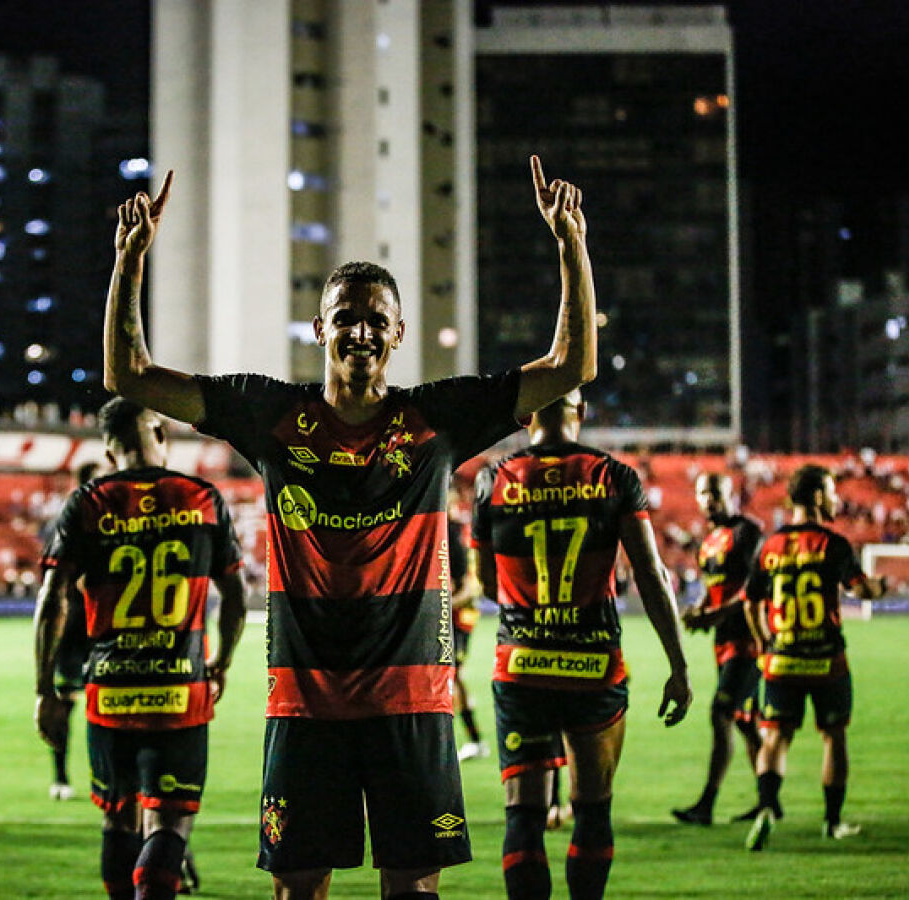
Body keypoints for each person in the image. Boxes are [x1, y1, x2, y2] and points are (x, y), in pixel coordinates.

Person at [103, 155, 597, 900]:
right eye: (346, 317)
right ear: (319, 329)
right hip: (306, 706)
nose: (360, 330)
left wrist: (571, 247)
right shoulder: (268, 413)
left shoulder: (438, 417)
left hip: (413, 704)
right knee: (299, 891)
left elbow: (571, 365)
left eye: (376, 319)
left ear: (398, 333)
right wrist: (130, 264)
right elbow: (129, 375)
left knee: (413, 892)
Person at [472, 390, 691, 900]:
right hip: (593, 667)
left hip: (522, 665)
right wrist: (678, 666)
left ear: (525, 416)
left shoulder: (492, 480)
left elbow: (486, 586)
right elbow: (653, 576)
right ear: (582, 412)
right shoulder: (614, 476)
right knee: (592, 809)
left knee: (524, 815)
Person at [34, 398, 248, 900]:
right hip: (179, 689)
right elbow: (235, 598)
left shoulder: (88, 501)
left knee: (119, 818)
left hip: (109, 692)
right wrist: (223, 662)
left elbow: (52, 598)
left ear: (109, 454)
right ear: (160, 436)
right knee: (170, 823)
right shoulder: (201, 497)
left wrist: (45, 688)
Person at [742, 464, 886, 852]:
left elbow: (752, 604)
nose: (837, 498)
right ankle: (832, 821)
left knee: (773, 738)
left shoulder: (770, 546)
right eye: (832, 491)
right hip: (826, 659)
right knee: (833, 738)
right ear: (819, 496)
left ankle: (768, 808)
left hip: (781, 658)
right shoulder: (833, 545)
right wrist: (881, 586)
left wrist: (764, 642)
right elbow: (862, 591)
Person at [672, 473, 764, 825]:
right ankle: (768, 799)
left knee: (721, 713)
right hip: (724, 643)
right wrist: (700, 612)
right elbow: (718, 590)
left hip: (750, 640)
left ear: (730, 494)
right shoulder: (709, 541)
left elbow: (754, 588)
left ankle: (707, 804)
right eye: (703, 493)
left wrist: (713, 616)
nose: (709, 499)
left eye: (716, 492)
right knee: (743, 722)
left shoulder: (747, 532)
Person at [47, 460, 103, 803]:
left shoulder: (116, 522)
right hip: (73, 630)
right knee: (64, 706)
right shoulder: (69, 525)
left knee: (105, 707)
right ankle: (61, 776)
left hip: (103, 629)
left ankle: (104, 777)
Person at [448, 485, 488, 762]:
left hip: (459, 617)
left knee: (450, 677)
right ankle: (472, 739)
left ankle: (472, 740)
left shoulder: (451, 533)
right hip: (458, 616)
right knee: (452, 677)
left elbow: (468, 588)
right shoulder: (455, 530)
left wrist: (440, 605)